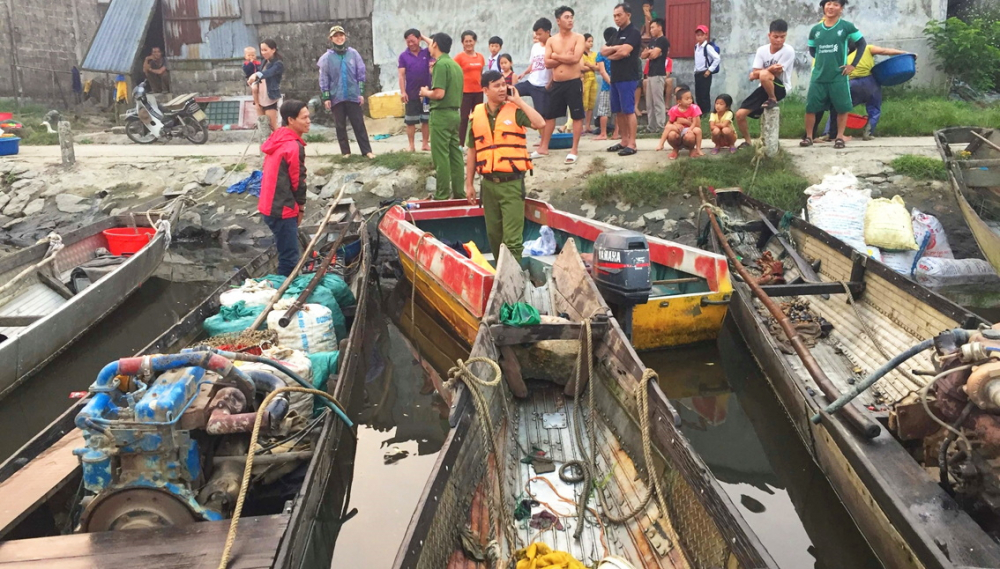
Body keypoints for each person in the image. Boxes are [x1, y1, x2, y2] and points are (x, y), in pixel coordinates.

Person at [465, 71, 545, 259]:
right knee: (494, 236)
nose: (502, 89)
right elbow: (472, 151)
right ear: (485, 90)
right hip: (488, 185)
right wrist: (469, 184)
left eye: (503, 84)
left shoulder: (515, 110)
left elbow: (540, 123)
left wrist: (519, 101)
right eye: (497, 86)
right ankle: (500, 276)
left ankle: (512, 281)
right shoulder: (476, 114)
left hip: (511, 184)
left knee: (512, 241)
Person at [801, 0, 866, 148]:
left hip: (838, 76)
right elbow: (812, 50)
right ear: (824, 6)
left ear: (841, 8)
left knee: (842, 107)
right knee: (811, 108)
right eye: (828, 3)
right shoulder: (815, 29)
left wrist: (852, 65)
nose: (831, 7)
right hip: (819, 76)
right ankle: (809, 137)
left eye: (836, 4)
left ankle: (839, 137)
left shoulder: (846, 27)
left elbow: (862, 44)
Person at [818, 44, 913, 140]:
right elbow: (884, 51)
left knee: (838, 109)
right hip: (870, 83)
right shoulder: (867, 48)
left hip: (850, 84)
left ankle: (828, 133)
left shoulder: (844, 57)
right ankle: (868, 133)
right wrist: (905, 53)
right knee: (874, 108)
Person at [259, 100, 310, 277]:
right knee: (289, 258)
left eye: (308, 117)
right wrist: (301, 208)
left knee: (285, 251)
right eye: (304, 118)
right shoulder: (293, 146)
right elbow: (298, 182)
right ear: (291, 120)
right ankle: (284, 295)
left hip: (268, 206)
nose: (308, 121)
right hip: (282, 208)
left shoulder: (278, 138)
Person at [735, 19, 795, 149]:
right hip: (763, 86)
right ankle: (748, 141)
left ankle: (772, 99)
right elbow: (755, 72)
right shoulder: (762, 50)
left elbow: (775, 73)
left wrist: (759, 74)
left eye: (782, 37)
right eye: (776, 37)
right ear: (769, 35)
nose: (779, 40)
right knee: (739, 115)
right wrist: (764, 71)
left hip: (780, 87)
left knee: (764, 75)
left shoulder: (788, 51)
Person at [537, 6, 585, 164]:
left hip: (573, 82)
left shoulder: (578, 38)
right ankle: (543, 146)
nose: (570, 19)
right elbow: (547, 63)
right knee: (550, 115)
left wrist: (556, 56)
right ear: (558, 21)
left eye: (571, 16)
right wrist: (563, 56)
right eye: (566, 17)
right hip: (557, 83)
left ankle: (574, 149)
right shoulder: (551, 40)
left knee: (577, 116)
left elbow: (575, 59)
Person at [420, 33, 465, 200]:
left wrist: (425, 92)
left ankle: (442, 195)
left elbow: (439, 94)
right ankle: (460, 193)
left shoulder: (440, 65)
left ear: (436, 45)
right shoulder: (454, 65)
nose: (428, 47)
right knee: (455, 154)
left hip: (441, 114)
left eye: (430, 44)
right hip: (455, 114)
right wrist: (424, 37)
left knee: (441, 157)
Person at [319, 26, 374, 158]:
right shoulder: (326, 58)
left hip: (352, 95)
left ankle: (367, 151)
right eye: (336, 36)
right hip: (336, 96)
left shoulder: (353, 54)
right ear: (331, 38)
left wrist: (360, 93)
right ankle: (346, 152)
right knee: (340, 125)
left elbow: (360, 74)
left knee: (358, 123)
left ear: (345, 36)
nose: (339, 38)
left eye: (341, 35)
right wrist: (326, 96)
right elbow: (323, 77)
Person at [601, 3, 642, 156]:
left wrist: (615, 51)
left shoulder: (634, 33)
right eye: (614, 16)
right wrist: (616, 50)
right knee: (618, 111)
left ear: (628, 15)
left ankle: (632, 143)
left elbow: (625, 52)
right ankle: (624, 140)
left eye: (619, 15)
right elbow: (603, 50)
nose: (616, 19)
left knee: (629, 111)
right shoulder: (616, 34)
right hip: (615, 78)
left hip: (628, 78)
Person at [515, 19, 553, 142]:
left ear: (548, 32)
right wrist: (524, 73)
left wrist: (549, 83)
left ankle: (543, 141)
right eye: (536, 34)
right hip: (531, 82)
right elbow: (533, 64)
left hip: (542, 86)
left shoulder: (553, 46)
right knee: (510, 91)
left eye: (539, 34)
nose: (537, 36)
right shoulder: (535, 46)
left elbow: (556, 68)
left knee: (541, 116)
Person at [398, 28, 434, 152]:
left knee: (426, 119)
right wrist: (403, 92)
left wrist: (423, 37)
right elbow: (401, 75)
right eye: (408, 41)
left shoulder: (427, 53)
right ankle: (411, 145)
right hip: (411, 93)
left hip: (426, 95)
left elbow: (434, 44)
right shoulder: (403, 56)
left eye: (413, 40)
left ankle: (425, 144)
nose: (411, 44)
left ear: (419, 39)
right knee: (410, 121)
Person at [454, 31, 486, 146]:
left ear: (475, 41)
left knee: (477, 119)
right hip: (465, 93)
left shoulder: (481, 57)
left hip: (478, 92)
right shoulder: (459, 57)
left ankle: (477, 143)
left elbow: (481, 74)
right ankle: (460, 144)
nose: (468, 43)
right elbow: (453, 73)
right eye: (466, 41)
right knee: (463, 119)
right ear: (462, 43)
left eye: (470, 41)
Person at [248, 39, 284, 132]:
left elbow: (268, 73)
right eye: (261, 50)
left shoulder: (278, 64)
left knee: (273, 126)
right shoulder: (264, 62)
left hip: (270, 98)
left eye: (265, 50)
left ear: (273, 50)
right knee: (263, 127)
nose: (263, 52)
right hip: (260, 98)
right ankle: (266, 145)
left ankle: (281, 144)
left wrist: (256, 75)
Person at [656, 86, 703, 159]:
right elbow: (669, 123)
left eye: (690, 98)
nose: (690, 100)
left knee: (697, 131)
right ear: (679, 101)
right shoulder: (674, 110)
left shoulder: (694, 108)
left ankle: (696, 149)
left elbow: (697, 125)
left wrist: (686, 122)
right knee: (670, 131)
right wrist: (675, 124)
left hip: (689, 129)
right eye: (687, 99)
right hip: (678, 130)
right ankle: (663, 145)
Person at [642, 18, 669, 134]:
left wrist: (650, 53)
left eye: (653, 27)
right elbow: (643, 55)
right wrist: (649, 53)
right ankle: (651, 126)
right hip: (650, 74)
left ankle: (660, 125)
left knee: (658, 101)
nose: (651, 30)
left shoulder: (663, 41)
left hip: (659, 74)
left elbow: (653, 54)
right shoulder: (652, 41)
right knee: (649, 102)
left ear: (660, 27)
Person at [593, 27, 615, 140]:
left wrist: (610, 82)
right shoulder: (618, 50)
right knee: (618, 111)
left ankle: (603, 133)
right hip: (619, 83)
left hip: (607, 86)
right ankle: (617, 133)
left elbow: (602, 71)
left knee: (604, 111)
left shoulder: (601, 53)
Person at [693, 25, 719, 115]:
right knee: (698, 94)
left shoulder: (707, 47)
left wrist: (709, 70)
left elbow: (717, 58)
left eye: (701, 35)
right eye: (697, 35)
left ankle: (706, 113)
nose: (699, 37)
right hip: (698, 73)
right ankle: (700, 113)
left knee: (704, 94)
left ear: (706, 36)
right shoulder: (696, 47)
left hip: (705, 73)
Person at [581, 34, 598, 137]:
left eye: (592, 41)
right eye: (589, 41)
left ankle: (588, 125)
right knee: (584, 104)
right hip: (584, 80)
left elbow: (598, 67)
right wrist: (593, 67)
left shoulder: (595, 54)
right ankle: (581, 126)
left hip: (593, 80)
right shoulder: (580, 54)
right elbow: (580, 68)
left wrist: (589, 65)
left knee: (591, 103)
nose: (591, 43)